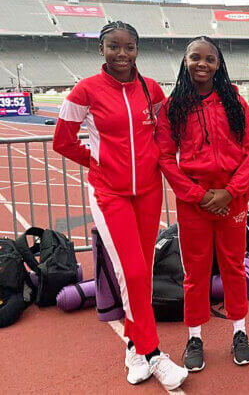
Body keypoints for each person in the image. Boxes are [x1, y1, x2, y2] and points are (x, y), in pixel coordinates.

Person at [53, 21, 188, 390]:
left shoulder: (152, 90)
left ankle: (132, 346)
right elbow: (62, 142)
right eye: (114, 46)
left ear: (138, 50)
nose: (122, 54)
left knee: (142, 270)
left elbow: (163, 138)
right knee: (133, 272)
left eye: (129, 47)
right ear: (101, 49)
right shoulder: (85, 91)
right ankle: (155, 354)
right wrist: (98, 163)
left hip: (148, 192)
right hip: (109, 194)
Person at [156, 36, 249, 369]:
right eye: (195, 57)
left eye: (209, 58)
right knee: (195, 272)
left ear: (219, 64)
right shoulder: (174, 107)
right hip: (194, 203)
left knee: (232, 266)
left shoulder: (234, 102)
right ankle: (195, 337)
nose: (202, 64)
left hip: (233, 199)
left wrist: (231, 190)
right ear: (185, 61)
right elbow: (166, 157)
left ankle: (239, 332)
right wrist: (197, 195)